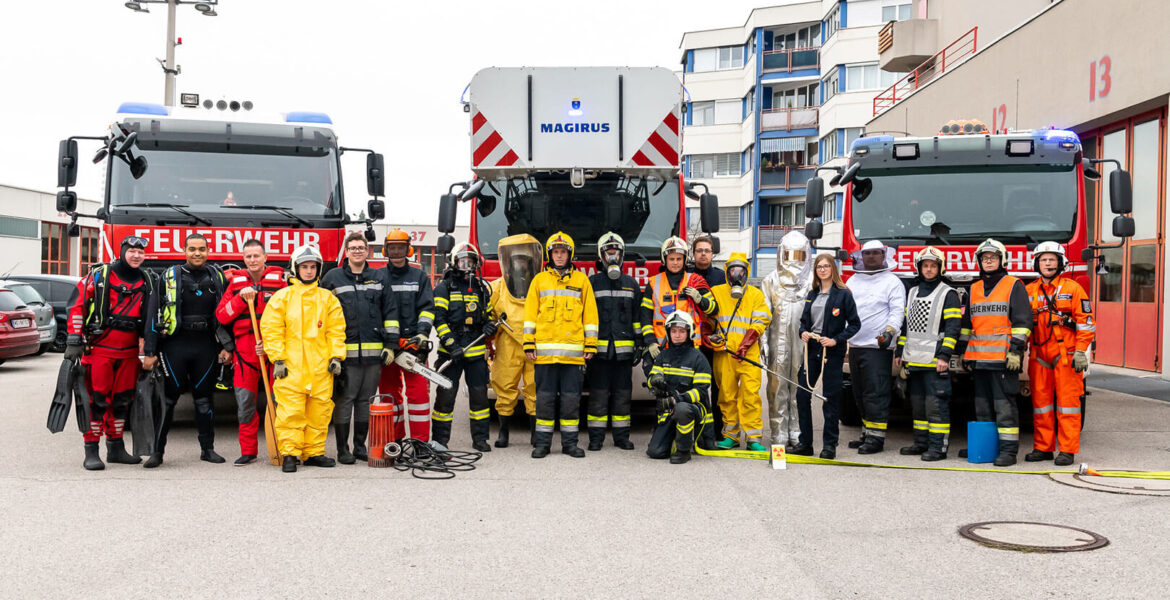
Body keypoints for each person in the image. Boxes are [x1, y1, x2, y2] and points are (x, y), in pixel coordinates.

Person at [64, 235, 156, 470]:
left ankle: (115, 448)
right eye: (132, 251)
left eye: (140, 252)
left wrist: (150, 349)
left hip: (129, 352)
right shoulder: (99, 275)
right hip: (99, 350)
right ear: (122, 251)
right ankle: (91, 451)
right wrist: (74, 339)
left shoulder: (147, 280)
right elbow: (76, 305)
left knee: (122, 401)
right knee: (96, 400)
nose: (136, 255)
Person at [143, 233, 231, 468]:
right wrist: (150, 351)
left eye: (201, 249)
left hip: (206, 345)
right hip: (175, 345)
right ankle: (157, 452)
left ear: (208, 251)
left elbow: (228, 315)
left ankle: (207, 449)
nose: (197, 253)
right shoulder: (169, 276)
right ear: (184, 250)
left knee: (204, 400)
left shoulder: (218, 276)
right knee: (168, 400)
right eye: (192, 249)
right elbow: (153, 314)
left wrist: (227, 347)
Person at [261, 244, 346, 473]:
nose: (309, 271)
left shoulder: (328, 299)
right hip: (291, 367)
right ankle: (290, 453)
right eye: (304, 266)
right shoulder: (282, 298)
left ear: (318, 269)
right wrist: (278, 359)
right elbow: (271, 330)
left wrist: (336, 356)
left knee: (319, 411)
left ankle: (314, 453)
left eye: (313, 267)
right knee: (291, 411)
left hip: (321, 368)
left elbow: (336, 330)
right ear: (295, 268)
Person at [320, 232, 398, 464]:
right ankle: (343, 449)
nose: (357, 251)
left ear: (367, 251)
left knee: (366, 401)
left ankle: (360, 447)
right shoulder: (332, 277)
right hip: (344, 355)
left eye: (361, 247)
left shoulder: (379, 277)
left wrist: (391, 346)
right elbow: (321, 313)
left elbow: (391, 312)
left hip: (374, 355)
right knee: (345, 400)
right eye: (352, 247)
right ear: (346, 251)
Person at [523, 231, 599, 458]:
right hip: (544, 357)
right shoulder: (539, 280)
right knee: (544, 400)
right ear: (549, 254)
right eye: (555, 252)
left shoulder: (582, 280)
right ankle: (543, 445)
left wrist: (591, 345)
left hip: (573, 357)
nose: (559, 256)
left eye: (563, 252)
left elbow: (590, 316)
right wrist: (529, 343)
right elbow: (529, 315)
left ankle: (570, 445)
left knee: (570, 401)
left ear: (570, 254)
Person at [215, 239, 288, 466]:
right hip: (245, 353)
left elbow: (291, 318)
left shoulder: (280, 284)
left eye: (257, 256)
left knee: (280, 402)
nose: (253, 260)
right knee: (245, 403)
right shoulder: (235, 284)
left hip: (274, 350)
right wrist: (240, 299)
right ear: (243, 259)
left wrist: (268, 342)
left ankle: (284, 448)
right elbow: (222, 315)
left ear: (265, 258)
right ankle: (248, 451)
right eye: (248, 257)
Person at [960, 238, 1031, 467]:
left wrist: (1015, 351)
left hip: (1003, 360)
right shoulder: (974, 288)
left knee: (1004, 407)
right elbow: (966, 324)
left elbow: (1023, 321)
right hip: (979, 360)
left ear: (1002, 260)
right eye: (985, 258)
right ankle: (986, 447)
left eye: (993, 257)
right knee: (982, 407)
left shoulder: (1014, 285)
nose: (988, 261)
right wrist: (962, 352)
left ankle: (1008, 452)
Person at [1025, 241, 1093, 467]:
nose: (1047, 263)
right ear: (1037, 263)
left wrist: (1081, 352)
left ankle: (1067, 450)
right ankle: (1043, 447)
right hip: (1038, 355)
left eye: (1052, 259)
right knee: (1040, 404)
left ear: (1060, 263)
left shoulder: (1073, 289)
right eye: (1043, 260)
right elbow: (1021, 324)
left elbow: (1086, 324)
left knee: (1068, 404)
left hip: (1067, 355)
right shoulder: (1029, 291)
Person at [893, 247, 961, 461]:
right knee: (918, 406)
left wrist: (945, 356)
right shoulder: (912, 291)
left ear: (940, 268)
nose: (929, 269)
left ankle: (938, 448)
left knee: (936, 407)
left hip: (934, 362)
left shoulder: (948, 293)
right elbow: (906, 326)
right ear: (919, 268)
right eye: (925, 265)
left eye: (933, 265)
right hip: (913, 361)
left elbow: (953, 328)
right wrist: (900, 351)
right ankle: (920, 444)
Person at [430, 243, 495, 452]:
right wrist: (452, 345)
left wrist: (489, 325)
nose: (467, 265)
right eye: (462, 261)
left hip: (475, 354)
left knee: (479, 398)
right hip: (451, 354)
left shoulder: (481, 288)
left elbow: (489, 314)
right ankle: (440, 440)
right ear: (453, 262)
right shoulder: (443, 287)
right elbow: (438, 320)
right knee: (445, 398)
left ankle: (480, 439)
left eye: (471, 261)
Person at [795, 254, 860, 459]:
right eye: (819, 267)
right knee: (802, 395)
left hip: (831, 351)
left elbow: (855, 324)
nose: (822, 270)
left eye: (826, 266)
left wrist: (836, 340)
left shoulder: (843, 294)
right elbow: (804, 322)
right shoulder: (812, 294)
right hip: (811, 350)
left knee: (830, 399)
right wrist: (803, 332)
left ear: (833, 268)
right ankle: (805, 443)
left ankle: (829, 445)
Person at [845, 239, 905, 454]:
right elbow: (845, 309)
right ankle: (866, 432)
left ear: (884, 255)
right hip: (855, 345)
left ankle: (876, 439)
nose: (871, 257)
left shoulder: (892, 282)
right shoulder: (853, 280)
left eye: (875, 253)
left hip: (878, 348)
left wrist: (890, 332)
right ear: (861, 256)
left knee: (876, 393)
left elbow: (897, 311)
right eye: (867, 253)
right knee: (859, 392)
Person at [585, 232, 642, 451]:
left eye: (616, 253)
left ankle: (621, 438)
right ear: (601, 256)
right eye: (608, 253)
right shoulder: (592, 283)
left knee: (622, 396)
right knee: (598, 395)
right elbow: (586, 317)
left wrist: (638, 344)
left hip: (624, 354)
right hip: (598, 354)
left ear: (622, 255)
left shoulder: (631, 284)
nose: (612, 257)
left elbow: (637, 318)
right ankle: (596, 439)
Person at [708, 252, 771, 451]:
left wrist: (746, 343)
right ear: (727, 272)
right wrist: (708, 335)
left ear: (746, 272)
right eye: (732, 270)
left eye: (740, 270)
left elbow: (761, 321)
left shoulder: (755, 294)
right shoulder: (716, 292)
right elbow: (706, 317)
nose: (736, 274)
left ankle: (753, 438)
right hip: (724, 353)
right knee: (726, 395)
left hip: (748, 354)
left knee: (750, 394)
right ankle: (731, 435)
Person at [379, 228, 435, 442]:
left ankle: (421, 443)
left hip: (413, 345)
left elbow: (427, 309)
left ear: (408, 248)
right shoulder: (379, 276)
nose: (396, 251)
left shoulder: (419, 276)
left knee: (419, 396)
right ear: (386, 249)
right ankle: (395, 441)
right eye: (392, 247)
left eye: (400, 247)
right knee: (390, 396)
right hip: (388, 347)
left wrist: (422, 334)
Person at [760, 230, 813, 449]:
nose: (793, 261)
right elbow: (763, 314)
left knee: (800, 387)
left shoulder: (812, 281)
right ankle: (778, 432)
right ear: (781, 254)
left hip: (804, 344)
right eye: (789, 255)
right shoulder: (770, 280)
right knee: (777, 386)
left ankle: (797, 432)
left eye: (799, 255)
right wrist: (763, 341)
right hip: (777, 342)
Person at [488, 234, 542, 448]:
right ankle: (503, 433)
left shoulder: (539, 285)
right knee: (504, 386)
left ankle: (535, 434)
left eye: (524, 261)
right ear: (509, 262)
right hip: (508, 343)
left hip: (534, 343)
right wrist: (488, 325)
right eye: (516, 260)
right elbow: (487, 313)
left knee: (535, 388)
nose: (520, 265)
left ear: (531, 263)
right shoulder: (497, 287)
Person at [645, 311, 712, 465]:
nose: (677, 335)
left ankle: (683, 450)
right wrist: (654, 380)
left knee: (682, 409)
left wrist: (677, 399)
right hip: (669, 409)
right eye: (673, 331)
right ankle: (673, 438)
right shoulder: (663, 356)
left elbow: (701, 392)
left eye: (682, 331)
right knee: (655, 452)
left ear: (689, 332)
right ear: (668, 332)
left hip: (692, 409)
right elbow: (651, 380)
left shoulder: (698, 358)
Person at [688, 234, 725, 441]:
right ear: (693, 254)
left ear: (712, 254)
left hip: (715, 339)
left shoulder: (721, 277)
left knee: (717, 386)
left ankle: (717, 431)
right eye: (699, 250)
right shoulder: (686, 276)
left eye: (707, 251)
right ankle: (694, 431)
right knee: (695, 387)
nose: (703, 254)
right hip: (693, 340)